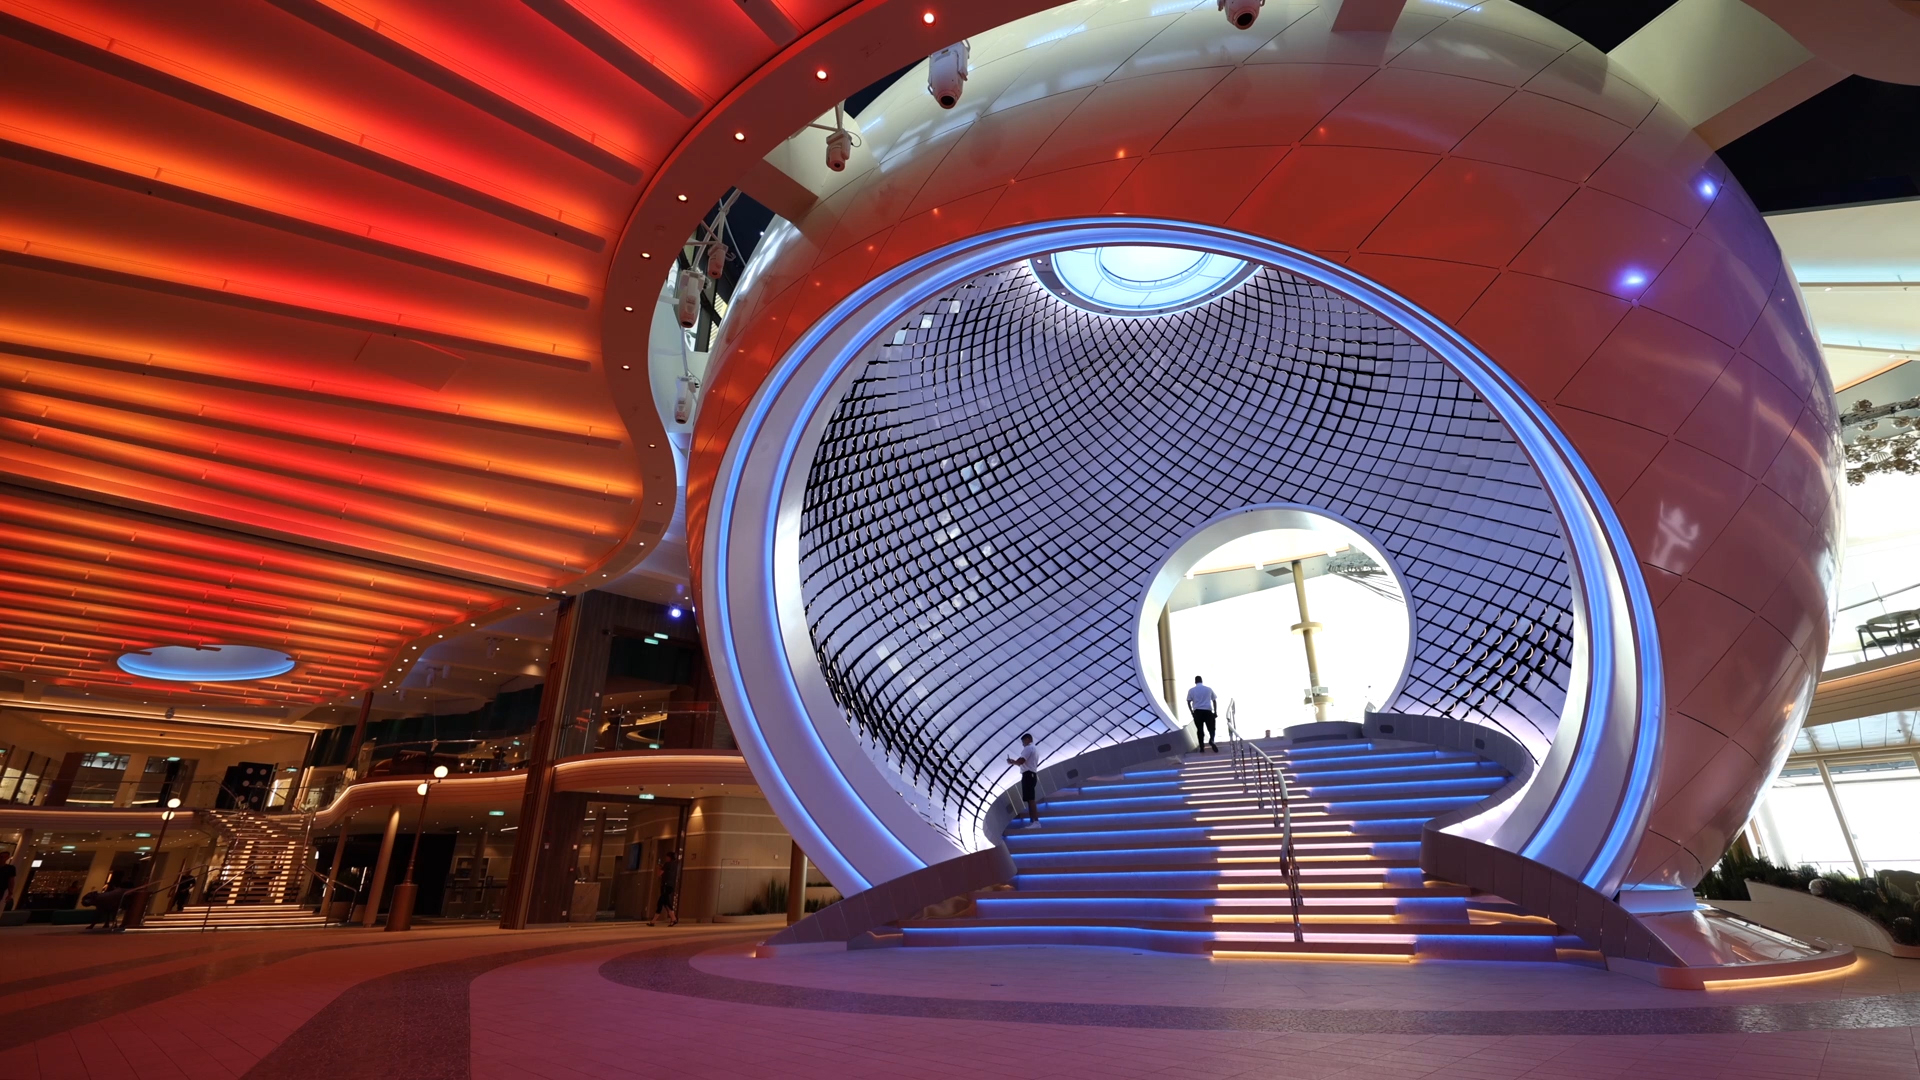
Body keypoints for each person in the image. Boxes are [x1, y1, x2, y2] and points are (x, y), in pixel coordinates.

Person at [1006, 733, 1043, 826]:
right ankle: (1033, 821)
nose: (1023, 744)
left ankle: (1035, 821)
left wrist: (1012, 762)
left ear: (1027, 739)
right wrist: (1014, 762)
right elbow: (1021, 761)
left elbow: (1021, 761)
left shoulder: (1028, 748)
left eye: (1023, 742)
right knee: (1030, 798)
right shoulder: (1035, 749)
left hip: (1028, 775)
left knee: (1031, 799)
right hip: (1032, 774)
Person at [1187, 675, 1220, 753]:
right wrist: (1215, 712)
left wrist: (1192, 712)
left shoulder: (1191, 690)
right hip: (1208, 711)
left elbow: (1188, 701)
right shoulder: (1208, 689)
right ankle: (1211, 740)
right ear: (1202, 681)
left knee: (1200, 730)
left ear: (1195, 681)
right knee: (1212, 728)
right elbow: (1214, 700)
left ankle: (1202, 747)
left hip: (1197, 712)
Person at [651, 849, 680, 926]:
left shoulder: (667, 864)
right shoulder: (676, 865)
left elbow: (659, 874)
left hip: (665, 885)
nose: (666, 858)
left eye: (667, 857)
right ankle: (672, 919)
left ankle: (673, 919)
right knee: (665, 902)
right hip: (671, 885)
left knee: (662, 902)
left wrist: (659, 868)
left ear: (669, 857)